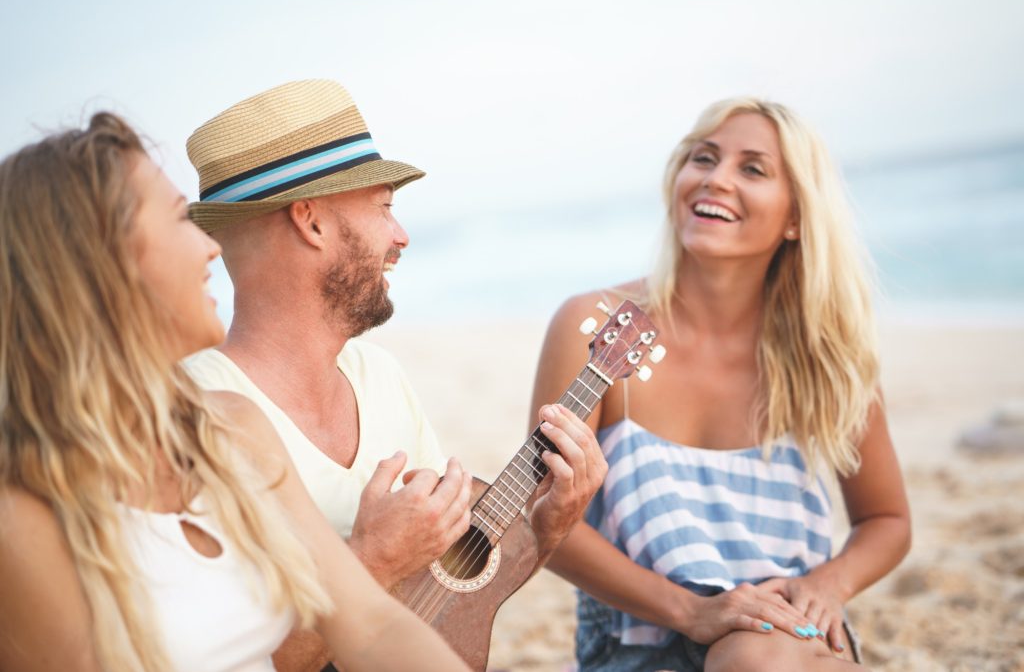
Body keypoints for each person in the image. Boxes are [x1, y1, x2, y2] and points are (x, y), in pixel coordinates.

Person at [0, 112, 476, 672]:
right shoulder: (22, 515)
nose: (210, 248)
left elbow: (370, 626)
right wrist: (375, 556)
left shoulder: (232, 426)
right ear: (100, 262)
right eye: (180, 219)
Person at [183, 80, 606, 667]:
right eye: (385, 208)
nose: (401, 236)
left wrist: (548, 525)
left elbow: (440, 596)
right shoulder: (187, 412)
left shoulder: (376, 374)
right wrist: (372, 560)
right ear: (311, 222)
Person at [530, 98, 912, 671]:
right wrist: (691, 612)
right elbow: (544, 514)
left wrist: (830, 584)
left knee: (759, 657)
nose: (716, 179)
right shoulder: (595, 325)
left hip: (789, 636)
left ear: (795, 217)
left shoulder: (827, 356)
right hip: (638, 644)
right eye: (703, 158)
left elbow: (888, 520)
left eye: (752, 169)